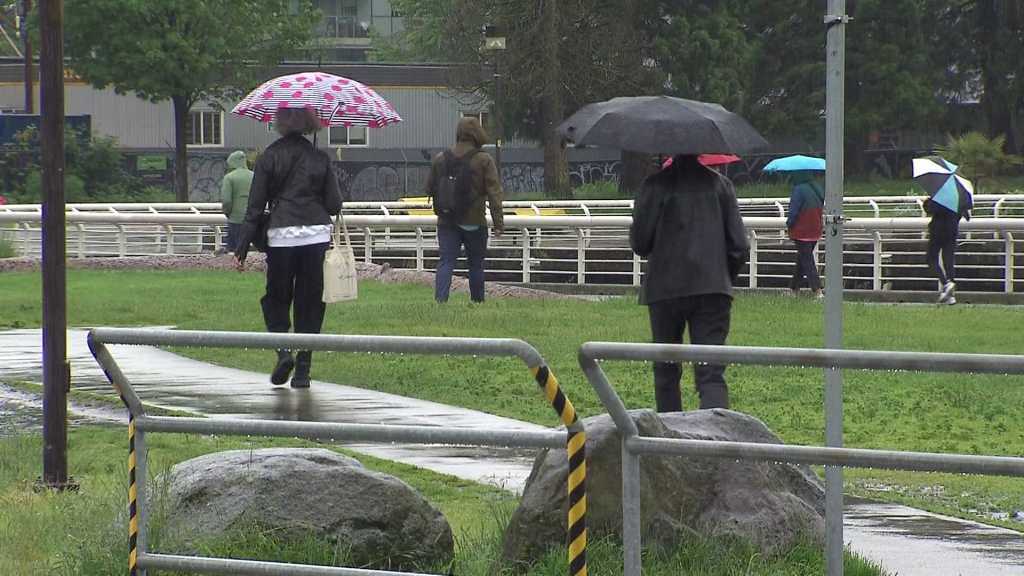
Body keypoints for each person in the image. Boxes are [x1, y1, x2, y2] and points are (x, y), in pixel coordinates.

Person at [233, 108, 343, 388]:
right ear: (310, 124)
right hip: (316, 235)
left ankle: (283, 352)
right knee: (310, 301)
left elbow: (254, 208)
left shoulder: (269, 157)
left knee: (276, 297)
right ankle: (304, 369)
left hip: (281, 235)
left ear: (280, 124)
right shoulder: (320, 157)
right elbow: (334, 205)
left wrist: (241, 248)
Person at [630, 154, 749, 412]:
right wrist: (723, 277)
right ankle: (715, 444)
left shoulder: (654, 185)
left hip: (665, 290)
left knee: (666, 372)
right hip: (713, 288)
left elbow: (640, 243)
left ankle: (670, 445)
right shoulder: (721, 185)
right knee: (711, 373)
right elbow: (739, 246)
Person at [424, 116, 504, 303]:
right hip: (474, 222)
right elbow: (494, 194)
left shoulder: (441, 158)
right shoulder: (484, 160)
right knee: (475, 265)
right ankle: (477, 302)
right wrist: (498, 222)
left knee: (446, 262)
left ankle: (440, 301)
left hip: (446, 221)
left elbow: (428, 187)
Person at [785, 171, 825, 300]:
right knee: (802, 260)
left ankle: (817, 291)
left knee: (807, 261)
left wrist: (789, 225)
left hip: (801, 231)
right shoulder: (817, 188)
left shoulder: (798, 190)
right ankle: (793, 289)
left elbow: (794, 212)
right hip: (816, 230)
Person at [925, 197, 970, 305]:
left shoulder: (938, 198)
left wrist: (928, 200)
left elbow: (929, 209)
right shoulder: (959, 200)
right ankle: (950, 294)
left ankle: (946, 284)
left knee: (931, 259)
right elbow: (966, 216)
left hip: (937, 232)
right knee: (948, 261)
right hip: (952, 232)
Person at [219, 150, 254, 254]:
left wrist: (227, 213)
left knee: (233, 250)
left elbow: (226, 201)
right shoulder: (254, 176)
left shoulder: (229, 177)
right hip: (253, 218)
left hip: (236, 219)